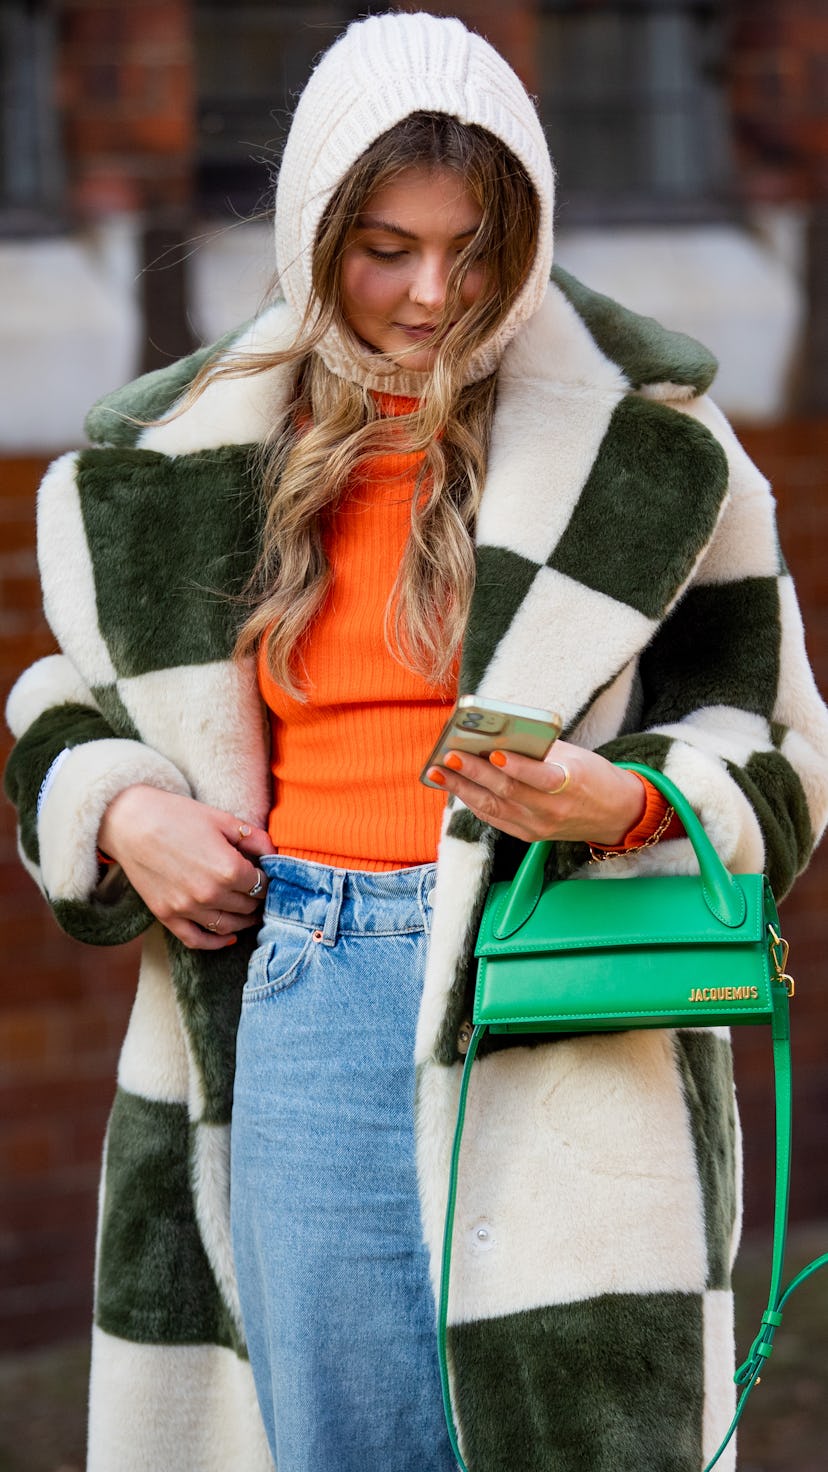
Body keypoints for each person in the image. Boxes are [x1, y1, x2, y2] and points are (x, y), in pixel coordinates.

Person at [5, 12, 828, 1472]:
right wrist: (125, 811)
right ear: (317, 224)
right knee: (345, 1446)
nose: (432, 294)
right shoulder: (184, 456)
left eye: (474, 250)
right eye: (384, 246)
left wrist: (622, 805)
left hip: (560, 995)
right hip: (305, 981)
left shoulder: (655, 446)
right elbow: (64, 704)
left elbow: (775, 749)